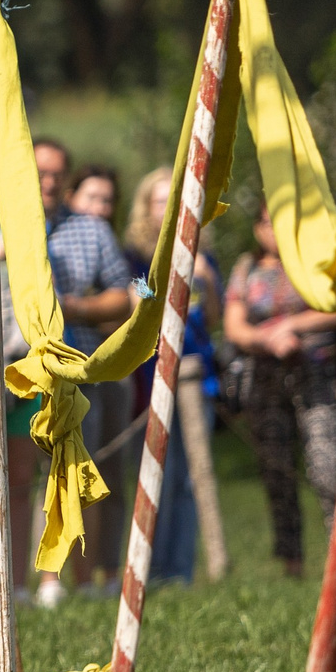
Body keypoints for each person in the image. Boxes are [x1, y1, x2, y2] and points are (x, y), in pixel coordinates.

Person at [29, 137, 133, 606]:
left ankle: (89, 577)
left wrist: (74, 308)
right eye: (40, 172)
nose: (47, 182)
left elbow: (124, 295)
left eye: (56, 174)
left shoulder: (91, 231)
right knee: (31, 479)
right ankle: (40, 579)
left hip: (82, 371)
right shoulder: (3, 227)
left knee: (85, 473)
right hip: (22, 372)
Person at [228, 204, 336, 580]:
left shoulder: (316, 261)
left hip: (315, 374)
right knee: (277, 470)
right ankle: (292, 565)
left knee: (328, 467)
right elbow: (234, 327)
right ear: (257, 228)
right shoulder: (246, 268)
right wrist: (267, 340)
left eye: (283, 221)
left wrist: (291, 326)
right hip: (265, 380)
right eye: (267, 222)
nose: (274, 230)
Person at [123, 167, 222, 586]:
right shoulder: (134, 255)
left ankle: (181, 569)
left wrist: (207, 279)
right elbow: (137, 299)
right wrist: (168, 279)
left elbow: (213, 318)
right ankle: (151, 568)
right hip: (154, 371)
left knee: (189, 475)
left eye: (174, 201)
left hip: (197, 372)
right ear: (146, 208)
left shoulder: (204, 254)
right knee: (155, 472)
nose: (167, 209)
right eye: (159, 201)